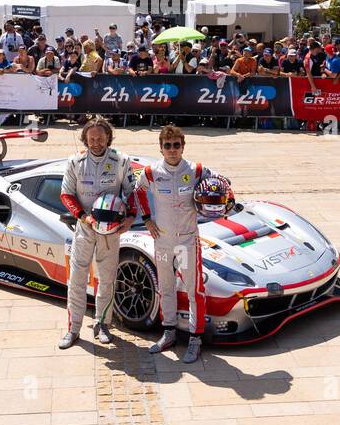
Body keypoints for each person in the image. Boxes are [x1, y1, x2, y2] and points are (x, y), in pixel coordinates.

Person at [138, 125, 222, 364]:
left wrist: (220, 204)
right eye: (167, 145)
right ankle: (169, 333)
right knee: (165, 287)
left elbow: (222, 184)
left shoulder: (196, 170)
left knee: (195, 290)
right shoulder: (151, 172)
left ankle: (195, 339)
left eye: (176, 145)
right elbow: (137, 192)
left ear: (183, 146)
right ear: (161, 148)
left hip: (186, 241)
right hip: (163, 241)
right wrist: (146, 219)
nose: (172, 150)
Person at [57, 116, 140, 350]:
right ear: (85, 138)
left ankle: (102, 324)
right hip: (85, 227)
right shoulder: (75, 162)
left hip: (111, 231)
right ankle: (73, 329)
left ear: (108, 138)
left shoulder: (121, 161)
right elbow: (66, 195)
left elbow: (132, 192)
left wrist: (131, 217)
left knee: (107, 279)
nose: (95, 143)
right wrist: (84, 217)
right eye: (91, 138)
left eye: (100, 138)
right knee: (77, 279)